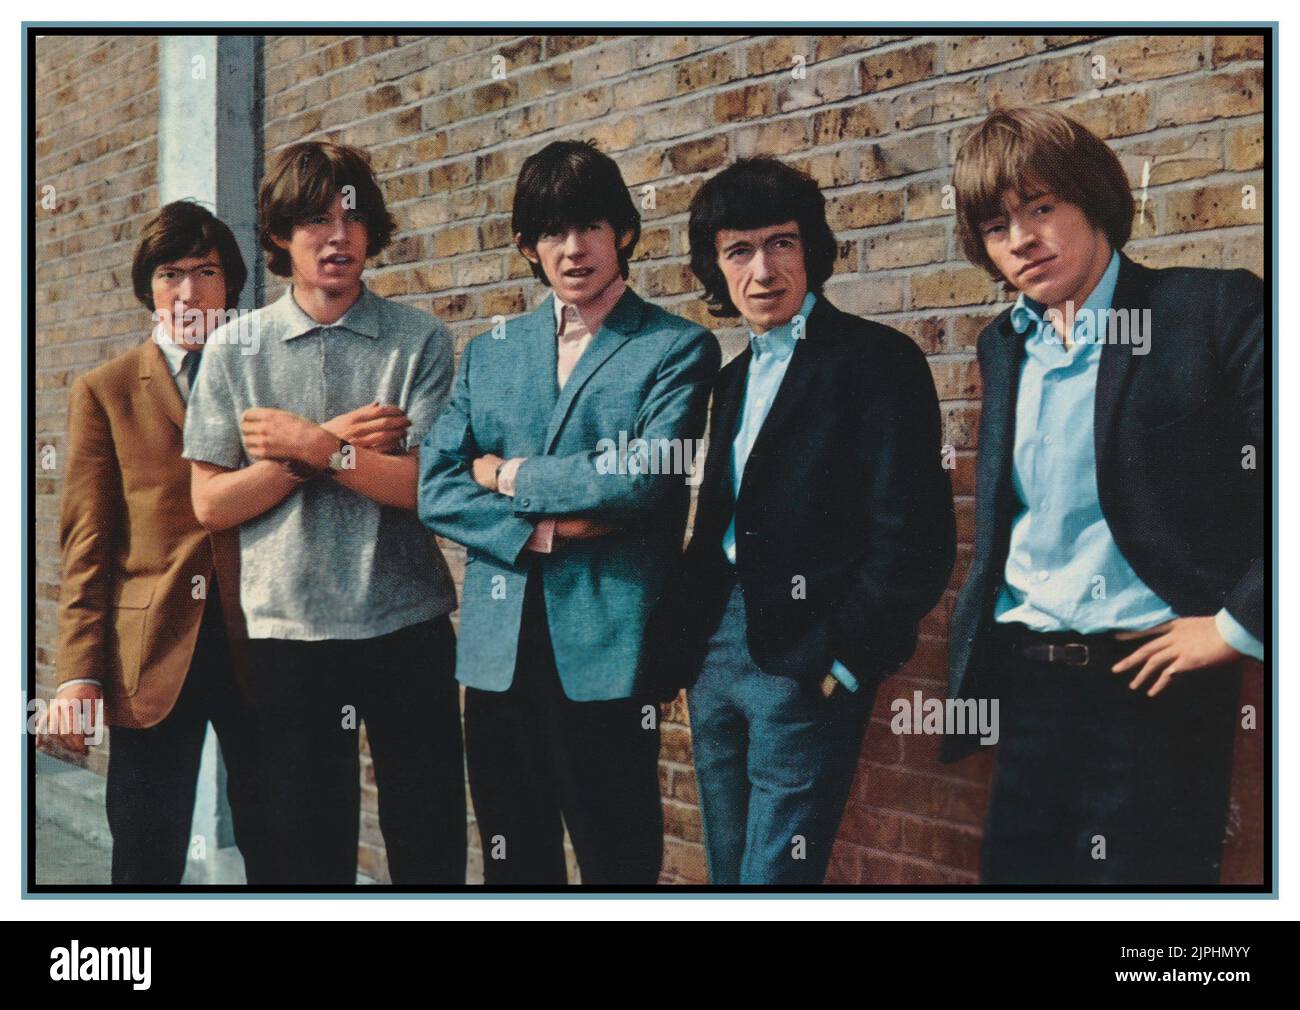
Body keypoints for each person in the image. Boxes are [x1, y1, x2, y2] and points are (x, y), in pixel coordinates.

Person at [942, 107, 1264, 885]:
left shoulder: (1209, 311)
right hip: (1031, 684)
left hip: (1153, 686)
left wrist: (1242, 622)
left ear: (1096, 201)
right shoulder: (1004, 343)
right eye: (996, 225)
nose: (1020, 239)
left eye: (1042, 207)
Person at [418, 139, 720, 885]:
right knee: (513, 863)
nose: (573, 248)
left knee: (617, 860)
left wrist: (506, 472)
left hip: (609, 651)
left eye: (589, 225)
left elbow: (642, 478)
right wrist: (543, 530)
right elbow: (435, 486)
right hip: (497, 658)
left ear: (622, 231)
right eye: (552, 231)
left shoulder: (675, 347)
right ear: (528, 246)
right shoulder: (491, 352)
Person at [657, 157, 955, 885]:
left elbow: (914, 539)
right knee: (729, 869)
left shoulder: (877, 361)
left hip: (808, 657)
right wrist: (688, 649)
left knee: (774, 878)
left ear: (811, 251)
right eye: (738, 250)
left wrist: (845, 660)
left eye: (781, 243)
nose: (762, 269)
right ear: (716, 268)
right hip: (717, 654)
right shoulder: (729, 381)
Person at [183, 141, 465, 885]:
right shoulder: (235, 350)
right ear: (278, 236)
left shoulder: (419, 341)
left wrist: (312, 445)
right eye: (313, 220)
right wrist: (340, 445)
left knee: (428, 840)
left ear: (372, 230)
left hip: (406, 620)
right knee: (305, 856)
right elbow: (212, 503)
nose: (336, 237)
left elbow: (426, 490)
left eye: (352, 217)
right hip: (289, 632)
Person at [41, 200, 272, 885]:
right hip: (150, 657)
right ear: (149, 287)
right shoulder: (106, 391)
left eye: (206, 271)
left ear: (231, 285)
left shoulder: (264, 372)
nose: (190, 291)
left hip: (259, 643)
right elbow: (86, 545)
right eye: (171, 273)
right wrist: (77, 674)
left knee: (277, 837)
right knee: (145, 850)